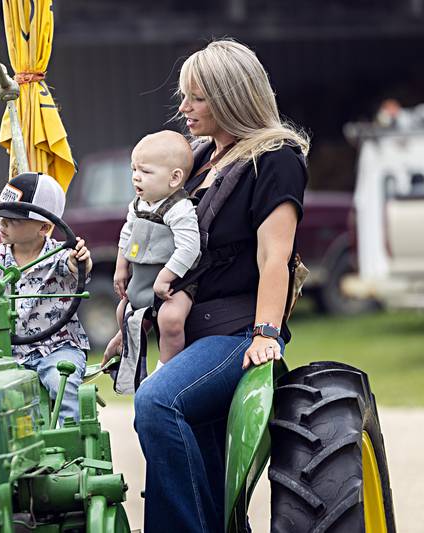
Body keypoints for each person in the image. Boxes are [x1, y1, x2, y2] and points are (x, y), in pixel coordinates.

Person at [117, 39, 310, 531]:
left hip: (237, 332)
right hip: (186, 332)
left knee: (157, 403)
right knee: (193, 458)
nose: (182, 108)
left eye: (196, 98)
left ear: (231, 96)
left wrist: (266, 332)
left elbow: (275, 256)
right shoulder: (198, 159)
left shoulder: (274, 156)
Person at [0, 172, 92, 424]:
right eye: (0, 216)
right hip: (8, 353)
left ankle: (70, 437)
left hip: (56, 348)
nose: (2, 224)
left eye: (13, 219)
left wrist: (80, 260)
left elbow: (79, 267)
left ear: (44, 227)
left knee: (62, 383)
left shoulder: (59, 255)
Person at [105, 130, 199, 374]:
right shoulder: (137, 205)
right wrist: (120, 267)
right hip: (143, 278)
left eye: (145, 172)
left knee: (171, 319)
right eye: (134, 170)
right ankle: (131, 351)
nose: (136, 178)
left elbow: (189, 248)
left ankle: (166, 366)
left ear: (174, 178)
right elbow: (127, 235)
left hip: (174, 284)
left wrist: (166, 277)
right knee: (123, 311)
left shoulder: (179, 209)